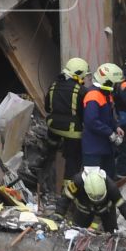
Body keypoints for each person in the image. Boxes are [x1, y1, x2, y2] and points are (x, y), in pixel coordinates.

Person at [42, 57, 90, 190]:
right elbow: (85, 115)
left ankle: (42, 181)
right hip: (72, 132)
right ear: (79, 74)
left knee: (49, 153)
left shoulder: (53, 86)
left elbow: (47, 108)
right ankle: (68, 192)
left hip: (53, 128)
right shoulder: (81, 91)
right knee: (73, 161)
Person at [80, 63, 125, 177]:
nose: (116, 86)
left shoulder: (106, 94)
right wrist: (110, 133)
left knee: (108, 179)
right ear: (107, 82)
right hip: (93, 148)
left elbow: (108, 116)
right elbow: (91, 121)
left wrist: (116, 127)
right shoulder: (93, 96)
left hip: (104, 147)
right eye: (114, 83)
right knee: (92, 181)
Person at [62, 166, 123, 232]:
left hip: (106, 213)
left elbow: (122, 204)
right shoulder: (77, 182)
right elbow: (66, 198)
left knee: (111, 232)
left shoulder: (111, 186)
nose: (97, 200)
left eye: (99, 197)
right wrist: (58, 214)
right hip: (82, 212)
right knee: (76, 230)